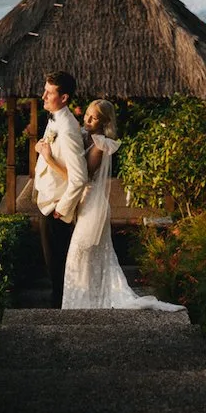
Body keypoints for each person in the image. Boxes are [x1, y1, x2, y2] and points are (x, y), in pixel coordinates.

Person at [39, 99, 186, 312]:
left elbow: (80, 178)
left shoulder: (99, 146)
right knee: (87, 256)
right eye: (87, 114)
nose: (87, 119)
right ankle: (86, 299)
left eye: (94, 117)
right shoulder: (81, 134)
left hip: (92, 205)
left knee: (79, 255)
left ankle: (81, 303)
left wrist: (49, 159)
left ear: (104, 121)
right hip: (82, 203)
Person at [32, 71, 88, 307]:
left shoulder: (66, 129)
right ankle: (60, 301)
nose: (43, 95)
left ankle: (61, 306)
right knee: (52, 260)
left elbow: (79, 177)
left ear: (64, 98)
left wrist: (62, 209)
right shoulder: (55, 118)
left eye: (50, 92)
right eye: (44, 89)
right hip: (48, 200)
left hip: (56, 206)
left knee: (57, 262)